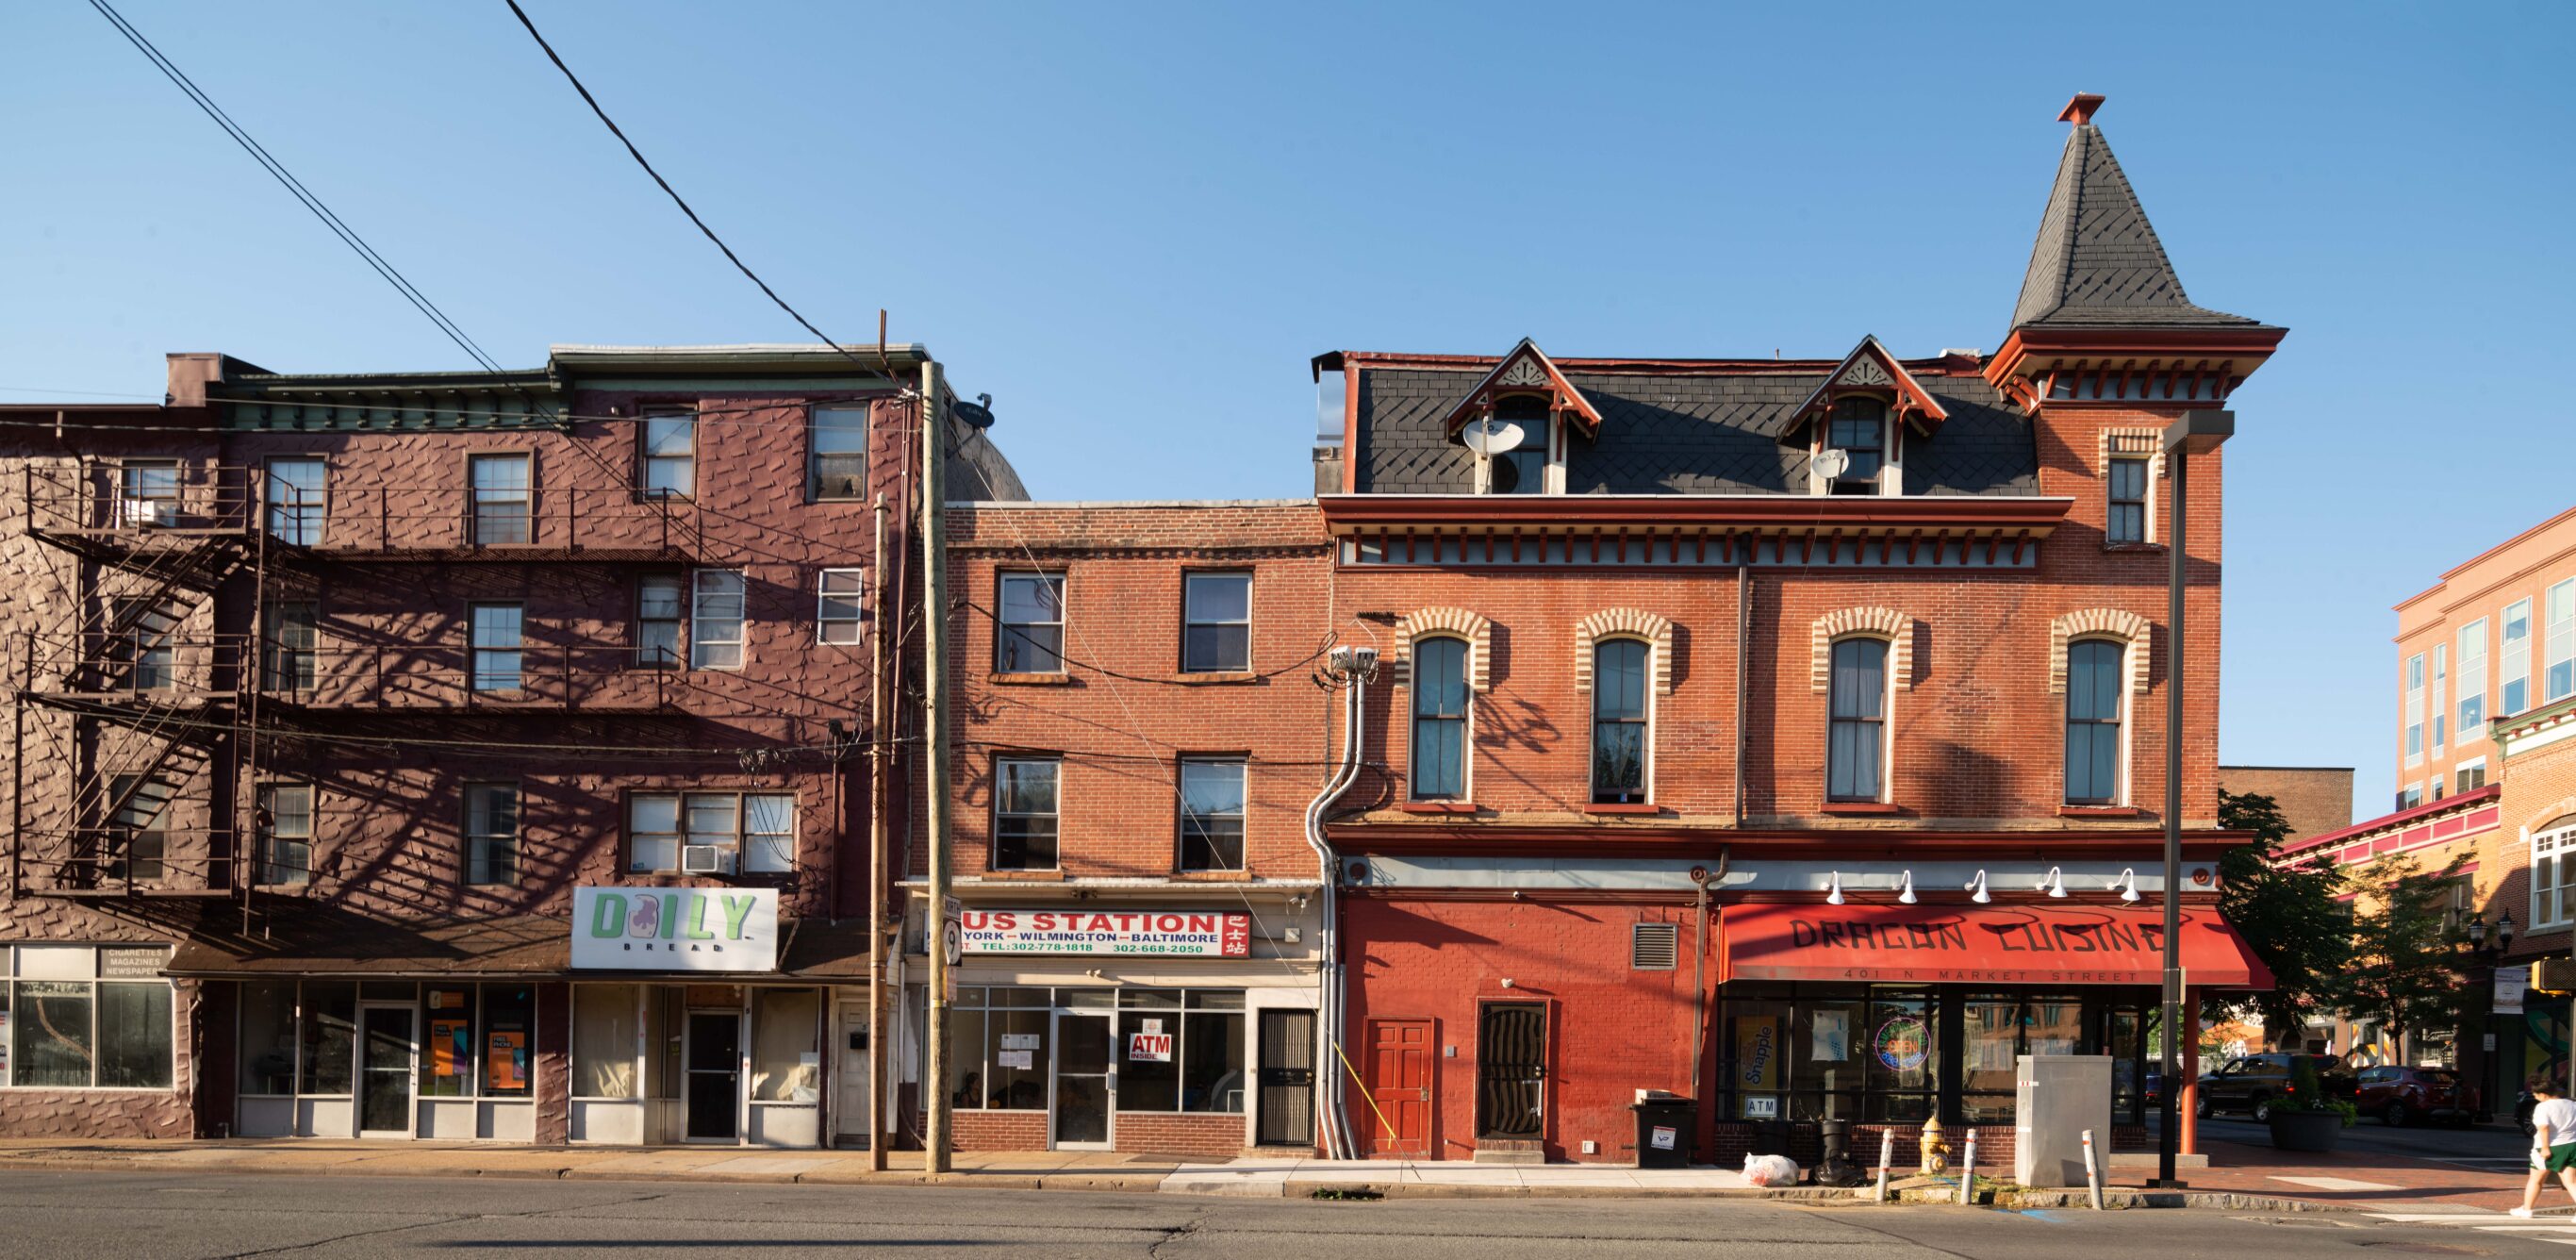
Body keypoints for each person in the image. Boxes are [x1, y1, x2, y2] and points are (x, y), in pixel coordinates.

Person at [2514, 1080, 2576, 1218]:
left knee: (2536, 1179)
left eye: (2536, 1095)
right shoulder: (2572, 1104)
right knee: (2570, 1181)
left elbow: (2544, 1127)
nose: (2536, 1098)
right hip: (2572, 1144)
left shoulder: (2543, 1107)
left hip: (2550, 1145)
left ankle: (2527, 1209)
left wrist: (2545, 1148)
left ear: (2543, 1094)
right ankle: (2525, 1208)